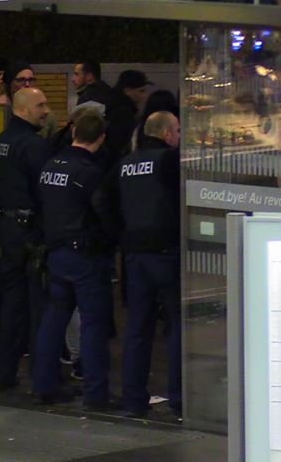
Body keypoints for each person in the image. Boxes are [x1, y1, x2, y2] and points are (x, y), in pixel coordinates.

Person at [32, 111, 120, 407]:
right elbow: (103, 211)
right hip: (85, 254)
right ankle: (96, 393)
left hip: (56, 251)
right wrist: (112, 240)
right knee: (93, 323)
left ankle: (44, 384)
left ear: (74, 132)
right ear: (101, 138)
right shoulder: (89, 172)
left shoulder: (50, 166)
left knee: (54, 319)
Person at [116, 111, 182, 418]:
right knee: (177, 326)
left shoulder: (126, 163)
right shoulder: (170, 160)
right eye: (177, 131)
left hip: (135, 256)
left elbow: (106, 200)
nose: (179, 137)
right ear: (167, 133)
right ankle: (179, 397)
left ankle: (133, 398)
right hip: (167, 252)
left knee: (137, 329)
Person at [0, 88, 54, 391]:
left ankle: (3, 372)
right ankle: (44, 379)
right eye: (40, 105)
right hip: (30, 230)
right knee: (39, 307)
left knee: (12, 304)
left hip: (8, 227)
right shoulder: (33, 145)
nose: (46, 110)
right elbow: (44, 190)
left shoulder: (1, 141)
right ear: (23, 109)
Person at [105, 70, 152, 164]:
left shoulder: (112, 105)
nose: (145, 95)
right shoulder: (123, 114)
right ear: (127, 91)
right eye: (141, 91)